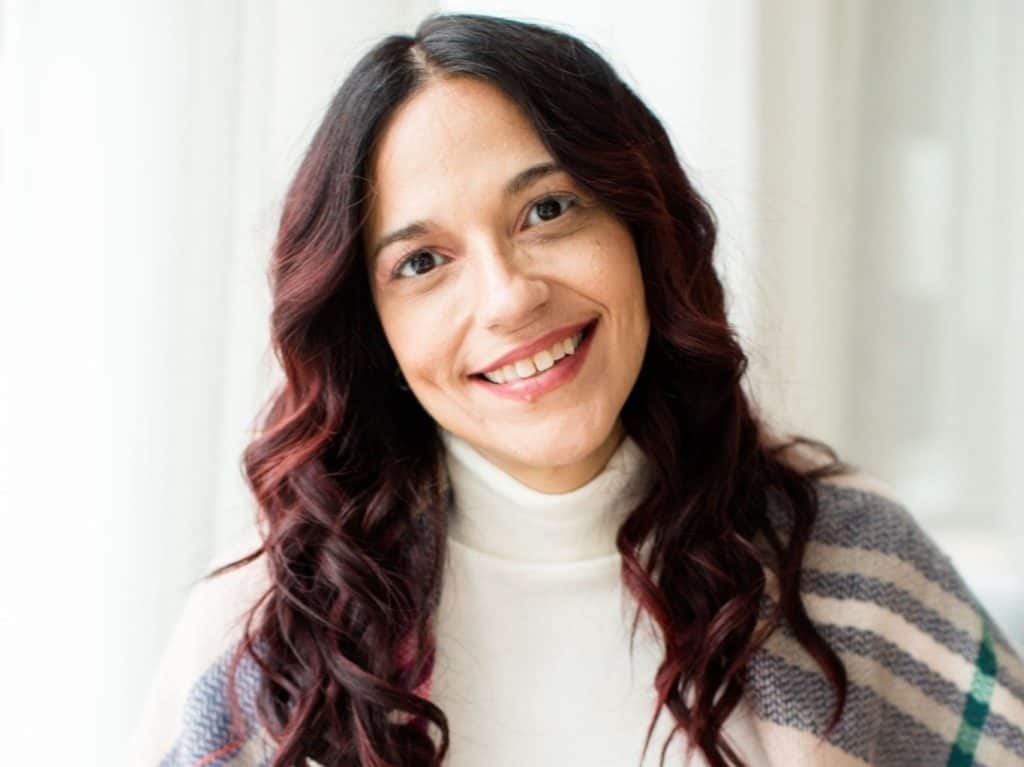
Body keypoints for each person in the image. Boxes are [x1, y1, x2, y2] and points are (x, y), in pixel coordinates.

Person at [126, 12, 1024, 767]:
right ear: (372, 329)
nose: (510, 296)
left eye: (548, 210)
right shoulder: (262, 640)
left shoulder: (852, 566)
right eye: (424, 261)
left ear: (642, 226)